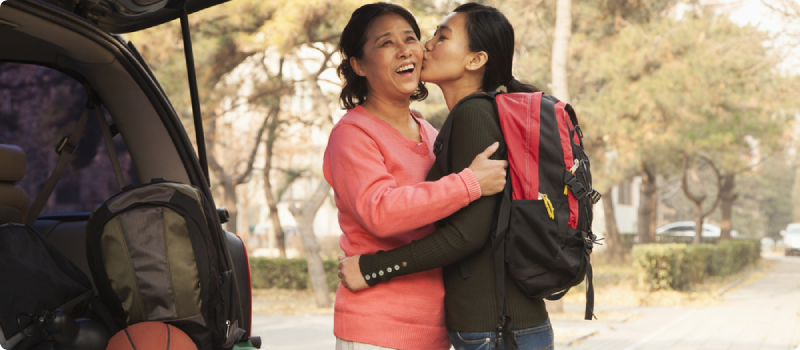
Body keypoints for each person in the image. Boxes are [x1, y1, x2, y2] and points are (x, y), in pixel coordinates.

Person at [337, 3, 554, 349]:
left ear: (475, 60)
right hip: (381, 327)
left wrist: (375, 267)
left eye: (412, 37)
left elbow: (468, 231)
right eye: (386, 43)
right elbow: (381, 212)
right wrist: (468, 183)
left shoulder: (435, 129)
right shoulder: (353, 134)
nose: (416, 48)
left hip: (445, 328)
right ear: (359, 65)